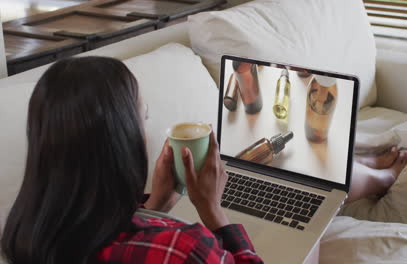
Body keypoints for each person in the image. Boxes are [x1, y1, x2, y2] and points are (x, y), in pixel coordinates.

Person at [0, 57, 263, 264]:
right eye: (143, 118)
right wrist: (213, 210)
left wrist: (155, 206)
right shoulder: (184, 249)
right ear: (122, 139)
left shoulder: (23, 234)